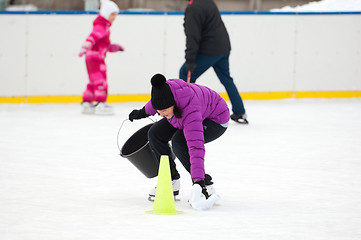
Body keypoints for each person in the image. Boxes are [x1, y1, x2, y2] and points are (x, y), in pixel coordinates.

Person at [128, 73, 228, 210]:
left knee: (179, 142)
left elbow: (196, 148)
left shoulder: (190, 111)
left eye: (163, 110)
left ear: (173, 104)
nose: (161, 114)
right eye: (159, 111)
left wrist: (199, 182)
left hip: (215, 120)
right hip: (185, 112)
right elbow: (156, 102)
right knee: (154, 134)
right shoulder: (165, 92)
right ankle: (171, 180)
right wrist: (142, 112)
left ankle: (206, 185)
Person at [179, 0, 248, 124]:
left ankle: (187, 113)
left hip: (209, 50)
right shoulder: (208, 2)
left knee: (185, 74)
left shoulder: (193, 8)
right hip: (223, 47)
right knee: (226, 79)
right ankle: (240, 111)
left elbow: (192, 35)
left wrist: (190, 59)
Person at [78, 0, 124, 115]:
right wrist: (84, 47)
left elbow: (104, 45)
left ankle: (87, 102)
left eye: (115, 15)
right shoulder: (101, 26)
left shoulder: (104, 27)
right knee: (100, 80)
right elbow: (92, 37)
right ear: (105, 14)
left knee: (94, 81)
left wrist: (114, 47)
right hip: (96, 58)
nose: (114, 17)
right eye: (112, 14)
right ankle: (100, 103)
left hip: (92, 57)